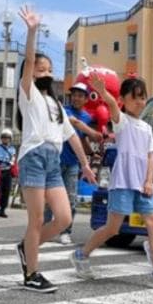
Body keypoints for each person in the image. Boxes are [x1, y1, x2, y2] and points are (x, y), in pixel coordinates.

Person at [71, 73, 153, 292]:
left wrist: (149, 181)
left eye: (143, 97)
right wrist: (103, 93)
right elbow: (112, 105)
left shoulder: (147, 128)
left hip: (143, 186)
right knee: (113, 228)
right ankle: (81, 255)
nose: (141, 101)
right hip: (122, 183)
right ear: (124, 99)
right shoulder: (121, 122)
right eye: (135, 97)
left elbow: (151, 156)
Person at [15, 5, 96, 293]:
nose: (46, 73)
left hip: (53, 159)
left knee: (63, 218)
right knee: (36, 219)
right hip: (34, 157)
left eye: (49, 69)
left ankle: (27, 246)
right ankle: (32, 274)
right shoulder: (28, 94)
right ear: (30, 74)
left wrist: (85, 164)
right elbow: (27, 59)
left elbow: (72, 137)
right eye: (40, 69)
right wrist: (32, 31)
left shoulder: (57, 106)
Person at [44, 82, 102, 245]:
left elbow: (81, 139)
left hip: (73, 163)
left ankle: (65, 231)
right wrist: (94, 133)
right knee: (50, 198)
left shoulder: (87, 117)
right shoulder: (64, 111)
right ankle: (45, 229)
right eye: (74, 95)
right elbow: (74, 123)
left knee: (70, 199)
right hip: (55, 161)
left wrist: (92, 152)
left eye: (80, 95)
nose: (76, 98)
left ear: (85, 99)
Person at [0, 128, 16, 218]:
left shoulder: (12, 149)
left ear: (10, 139)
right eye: (4, 137)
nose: (5, 139)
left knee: (6, 191)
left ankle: (3, 209)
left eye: (7, 138)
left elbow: (13, 158)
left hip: (7, 171)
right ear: (1, 138)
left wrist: (11, 162)